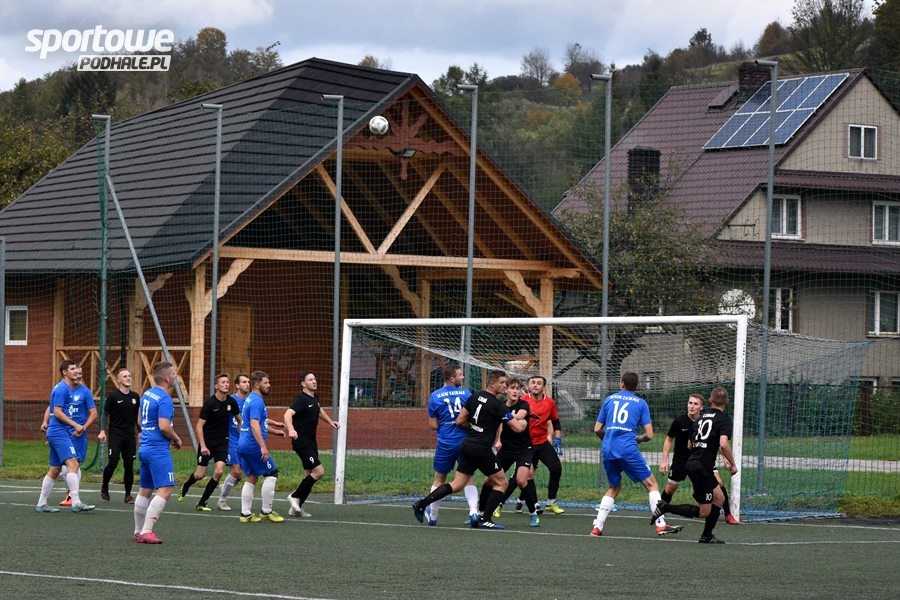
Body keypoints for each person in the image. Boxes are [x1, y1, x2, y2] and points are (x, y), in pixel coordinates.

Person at [412, 370, 526, 530]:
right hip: (481, 449)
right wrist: (524, 423)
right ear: (492, 383)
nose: (505, 386)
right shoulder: (498, 405)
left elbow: (459, 421)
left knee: (457, 484)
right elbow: (517, 428)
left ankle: (421, 504)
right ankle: (485, 518)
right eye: (502, 383)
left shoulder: (474, 397)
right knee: (502, 483)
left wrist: (475, 428)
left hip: (467, 445)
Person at [590, 371, 681, 537]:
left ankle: (598, 527)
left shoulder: (609, 400)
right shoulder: (641, 403)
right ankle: (660, 524)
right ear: (636, 386)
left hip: (608, 449)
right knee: (652, 485)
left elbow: (597, 429)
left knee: (613, 487)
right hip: (627, 449)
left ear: (621, 383)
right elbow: (650, 435)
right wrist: (638, 439)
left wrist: (608, 440)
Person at [651, 386, 738, 543]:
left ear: (709, 401)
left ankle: (707, 535)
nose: (692, 406)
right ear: (727, 401)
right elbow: (724, 444)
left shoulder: (700, 419)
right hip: (702, 467)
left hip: (696, 463)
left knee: (719, 497)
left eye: (695, 403)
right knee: (705, 511)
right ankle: (665, 507)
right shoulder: (724, 419)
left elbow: (690, 444)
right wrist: (732, 463)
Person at [36, 360, 98, 513]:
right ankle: (76, 502)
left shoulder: (84, 391)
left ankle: (41, 504)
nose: (76, 371)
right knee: (72, 463)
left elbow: (94, 413)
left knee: (56, 468)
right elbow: (56, 411)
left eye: (77, 369)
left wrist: (83, 427)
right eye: (72, 369)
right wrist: (75, 425)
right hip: (58, 431)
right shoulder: (61, 389)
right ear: (64, 372)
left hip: (73, 433)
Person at [133, 361, 183, 543]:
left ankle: (138, 531)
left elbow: (140, 420)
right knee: (166, 489)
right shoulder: (164, 398)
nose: (176, 377)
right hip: (157, 450)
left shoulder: (147, 393)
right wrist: (176, 438)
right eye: (174, 374)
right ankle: (147, 531)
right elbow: (164, 426)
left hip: (145, 447)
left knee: (145, 489)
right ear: (168, 378)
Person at [422, 363, 478, 526]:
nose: (463, 377)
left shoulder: (435, 396)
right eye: (460, 375)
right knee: (468, 478)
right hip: (465, 441)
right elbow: (473, 417)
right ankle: (473, 512)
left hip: (446, 442)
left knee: (440, 477)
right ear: (452, 379)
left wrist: (446, 424)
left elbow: (432, 425)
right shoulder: (466, 394)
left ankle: (433, 515)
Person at [481, 377, 541, 527]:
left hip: (523, 449)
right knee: (488, 480)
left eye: (517, 388)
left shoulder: (523, 405)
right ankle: (481, 512)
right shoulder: (500, 405)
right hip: (506, 450)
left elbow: (519, 416)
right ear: (506, 389)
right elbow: (499, 426)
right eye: (512, 388)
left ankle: (533, 512)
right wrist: (498, 440)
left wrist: (503, 415)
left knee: (521, 480)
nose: (515, 391)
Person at [178, 373, 241, 511]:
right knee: (200, 475)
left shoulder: (231, 402)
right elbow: (199, 426)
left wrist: (241, 435)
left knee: (219, 472)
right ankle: (186, 485)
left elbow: (239, 419)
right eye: (223, 382)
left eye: (227, 382)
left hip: (222, 443)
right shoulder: (210, 403)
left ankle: (202, 502)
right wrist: (203, 446)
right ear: (216, 386)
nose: (226, 384)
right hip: (207, 443)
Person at [285, 372, 340, 518]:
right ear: (303, 384)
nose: (314, 381)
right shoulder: (301, 400)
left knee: (308, 475)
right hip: (301, 442)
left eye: (315, 379)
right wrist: (291, 429)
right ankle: (294, 496)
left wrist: (330, 421)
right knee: (319, 471)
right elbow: (287, 414)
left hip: (311, 442)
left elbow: (319, 410)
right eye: (310, 379)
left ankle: (296, 508)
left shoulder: (315, 398)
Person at [236, 370, 284, 523]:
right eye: (266, 383)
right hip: (253, 445)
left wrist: (274, 430)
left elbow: (259, 422)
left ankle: (245, 514)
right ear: (257, 385)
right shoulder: (257, 401)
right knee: (272, 473)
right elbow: (255, 424)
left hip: (243, 444)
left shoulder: (250, 399)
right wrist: (262, 446)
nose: (269, 385)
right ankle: (266, 512)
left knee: (252, 476)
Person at [517, 375, 565, 514]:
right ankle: (522, 501)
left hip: (542, 443)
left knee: (556, 469)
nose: (535, 385)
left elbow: (555, 422)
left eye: (539, 383)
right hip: (526, 444)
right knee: (524, 476)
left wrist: (557, 439)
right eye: (533, 383)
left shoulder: (549, 402)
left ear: (543, 387)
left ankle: (551, 502)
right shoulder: (523, 401)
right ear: (528, 386)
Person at [98, 367, 140, 503]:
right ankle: (105, 486)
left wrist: (140, 432)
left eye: (129, 376)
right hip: (116, 435)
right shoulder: (113, 396)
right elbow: (105, 414)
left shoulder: (135, 397)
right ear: (119, 380)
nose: (128, 378)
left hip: (130, 436)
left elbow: (137, 417)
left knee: (129, 465)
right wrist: (102, 430)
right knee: (113, 462)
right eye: (125, 376)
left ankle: (128, 495)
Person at [216, 372, 249, 510]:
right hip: (230, 440)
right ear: (237, 385)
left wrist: (274, 425)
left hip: (243, 441)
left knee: (239, 475)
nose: (247, 384)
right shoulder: (230, 400)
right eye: (244, 382)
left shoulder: (248, 401)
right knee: (235, 471)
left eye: (248, 382)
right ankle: (222, 500)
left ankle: (224, 486)